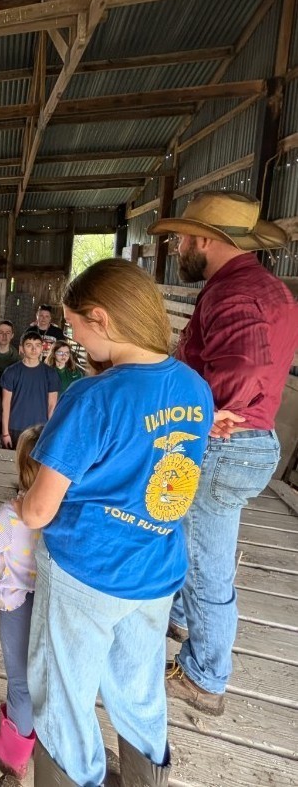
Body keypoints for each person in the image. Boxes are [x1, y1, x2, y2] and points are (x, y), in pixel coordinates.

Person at [15, 258, 213, 787]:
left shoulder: (93, 396)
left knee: (64, 695)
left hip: (88, 568)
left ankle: (75, 776)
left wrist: (16, 507)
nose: (73, 337)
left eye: (75, 324)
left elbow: (39, 508)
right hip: (155, 568)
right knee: (140, 687)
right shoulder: (195, 388)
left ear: (100, 318)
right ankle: (146, 778)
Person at [146, 190, 298, 716]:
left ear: (207, 240)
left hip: (223, 445)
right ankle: (184, 620)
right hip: (241, 442)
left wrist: (209, 414)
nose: (182, 245)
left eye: (186, 237)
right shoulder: (263, 287)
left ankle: (205, 676)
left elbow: (247, 369)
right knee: (194, 544)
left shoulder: (236, 294)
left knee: (208, 563)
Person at [0, 425, 43, 777]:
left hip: (16, 604)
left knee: (20, 680)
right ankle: (33, 727)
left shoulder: (11, 512)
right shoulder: (61, 506)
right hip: (49, 602)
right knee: (41, 672)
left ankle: (13, 754)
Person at [0, 331, 59, 448]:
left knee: (35, 465)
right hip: (15, 427)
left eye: (37, 345)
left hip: (40, 428)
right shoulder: (11, 372)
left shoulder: (50, 373)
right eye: (29, 345)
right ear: (21, 348)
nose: (34, 349)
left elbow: (52, 405)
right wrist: (5, 432)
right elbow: (5, 404)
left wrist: (50, 431)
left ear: (42, 348)